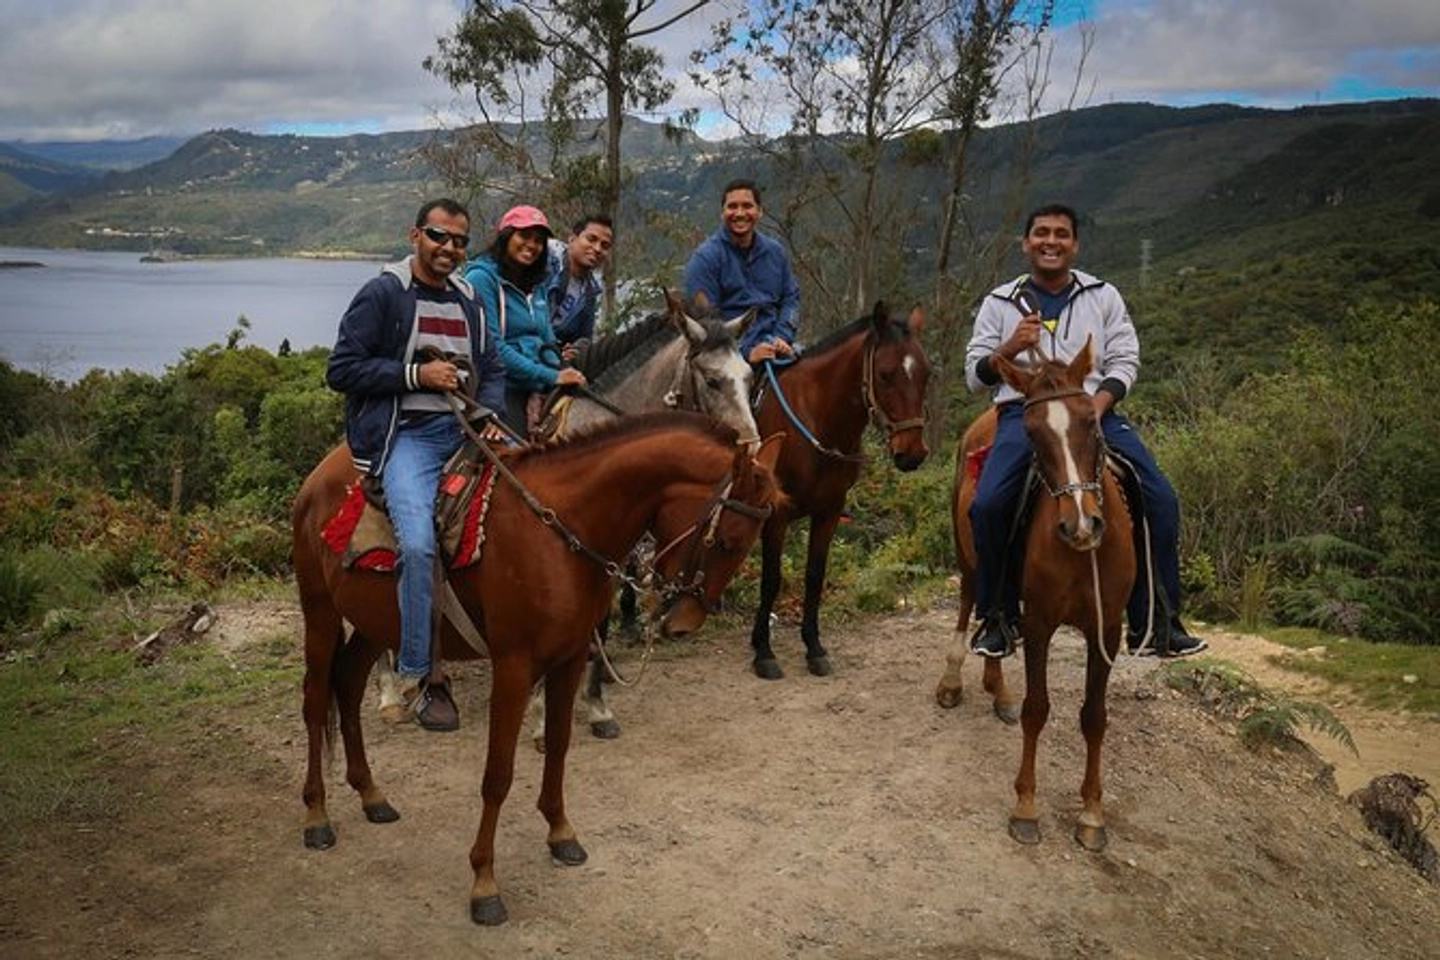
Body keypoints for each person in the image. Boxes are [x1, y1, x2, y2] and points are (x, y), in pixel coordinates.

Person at [964, 202, 1207, 660]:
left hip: (1095, 413)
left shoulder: (1103, 295)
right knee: (990, 503)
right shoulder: (999, 302)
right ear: (1026, 243)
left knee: (1159, 496)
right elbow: (974, 376)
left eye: (1060, 233)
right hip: (1026, 414)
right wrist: (1010, 347)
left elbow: (1125, 359)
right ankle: (997, 616)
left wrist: (1096, 406)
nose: (1050, 241)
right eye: (1041, 233)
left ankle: (1159, 621)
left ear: (1074, 244)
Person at [326, 198, 508, 731]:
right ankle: (415, 670)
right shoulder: (385, 292)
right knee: (419, 543)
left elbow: (492, 365)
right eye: (438, 236)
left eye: (458, 241)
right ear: (415, 236)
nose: (449, 248)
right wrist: (415, 376)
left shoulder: (470, 299)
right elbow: (342, 368)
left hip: (466, 430)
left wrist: (490, 412)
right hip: (407, 436)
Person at [463, 205, 586, 435]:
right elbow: (494, 348)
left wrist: (562, 372)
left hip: (534, 384)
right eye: (524, 235)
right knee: (518, 456)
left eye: (539, 240)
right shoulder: (481, 278)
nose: (532, 245)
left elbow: (547, 339)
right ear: (506, 235)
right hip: (499, 387)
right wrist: (552, 376)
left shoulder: (536, 283)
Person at [683, 178, 801, 365]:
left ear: (759, 211)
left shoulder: (775, 253)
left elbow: (791, 298)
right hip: (730, 361)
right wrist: (747, 353)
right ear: (723, 213)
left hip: (776, 347)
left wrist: (782, 337)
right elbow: (706, 327)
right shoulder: (705, 260)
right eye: (732, 207)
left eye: (747, 206)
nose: (739, 213)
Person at [545, 213, 614, 358]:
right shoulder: (546, 262)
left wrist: (575, 350)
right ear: (572, 239)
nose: (597, 249)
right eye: (591, 239)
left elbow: (584, 337)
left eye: (605, 245)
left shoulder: (589, 292)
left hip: (551, 359)